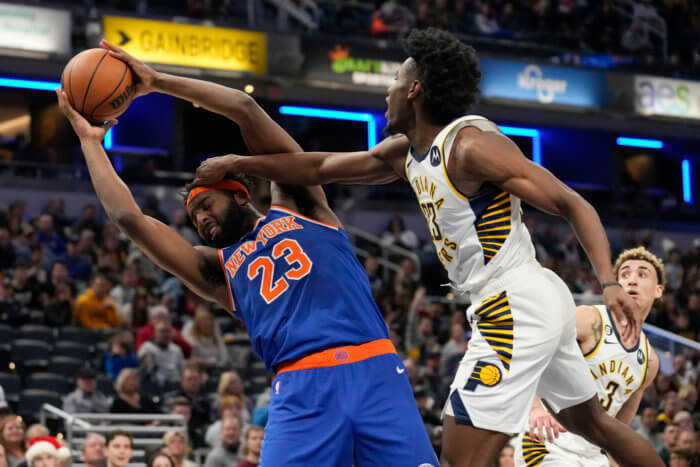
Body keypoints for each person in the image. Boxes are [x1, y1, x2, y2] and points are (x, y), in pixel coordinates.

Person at [209, 26, 664, 467]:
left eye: (394, 80)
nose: (387, 90)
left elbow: (571, 202)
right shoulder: (404, 152)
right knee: (593, 425)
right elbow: (321, 166)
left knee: (459, 457)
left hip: (515, 302)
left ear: (415, 89)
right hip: (530, 299)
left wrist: (607, 281)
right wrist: (240, 162)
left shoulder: (470, 146)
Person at [56, 39, 437, 467]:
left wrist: (158, 81)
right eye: (192, 215)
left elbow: (244, 109)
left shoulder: (300, 204)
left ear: (238, 193)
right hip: (299, 388)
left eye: (205, 205)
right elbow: (129, 218)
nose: (199, 220)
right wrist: (91, 142)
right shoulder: (216, 269)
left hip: (374, 370)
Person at [514, 247, 663, 465]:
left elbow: (621, 421)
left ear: (658, 290)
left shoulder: (650, 361)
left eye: (642, 274)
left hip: (593, 455)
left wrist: (611, 459)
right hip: (550, 441)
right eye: (624, 274)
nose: (631, 280)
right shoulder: (590, 318)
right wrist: (535, 408)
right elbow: (531, 350)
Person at [137, 321, 185, 387]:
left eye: (168, 331)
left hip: (176, 385)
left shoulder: (176, 349)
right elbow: (145, 374)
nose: (165, 334)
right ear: (155, 333)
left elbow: (182, 371)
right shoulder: (147, 349)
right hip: (156, 386)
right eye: (162, 331)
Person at [181, 305, 229, 370]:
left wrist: (216, 364)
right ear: (198, 326)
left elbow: (224, 359)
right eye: (205, 325)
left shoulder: (218, 340)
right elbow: (192, 360)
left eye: (210, 325)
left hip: (216, 370)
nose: (208, 328)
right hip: (197, 370)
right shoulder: (192, 341)